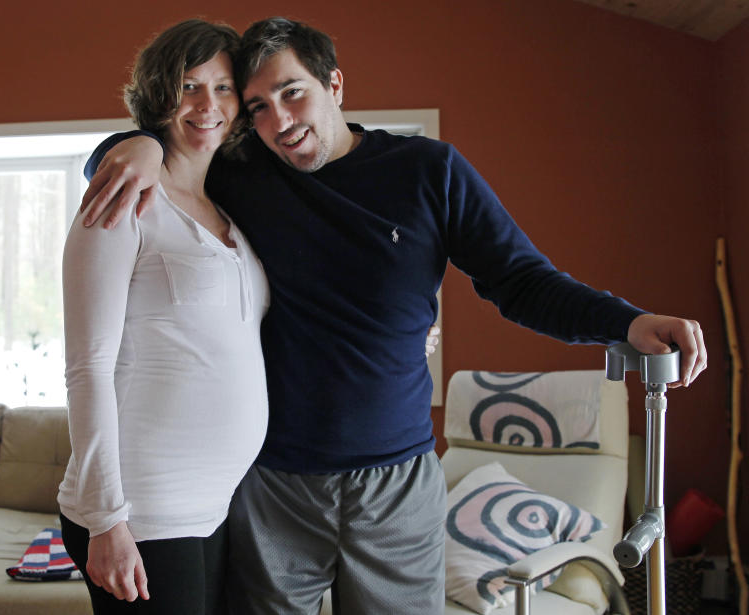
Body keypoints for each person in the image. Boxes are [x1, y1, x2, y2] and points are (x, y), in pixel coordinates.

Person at [78, 17, 708, 615]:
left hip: (397, 484)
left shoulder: (428, 171)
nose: (279, 121)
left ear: (335, 84)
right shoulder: (244, 176)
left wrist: (626, 323)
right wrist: (133, 144)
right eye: (259, 106)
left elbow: (520, 281)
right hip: (274, 485)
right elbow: (168, 155)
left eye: (291, 93)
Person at [57, 19, 270, 615]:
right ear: (159, 94)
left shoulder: (228, 206)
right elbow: (86, 368)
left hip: (217, 506)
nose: (208, 105)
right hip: (141, 511)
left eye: (224, 88)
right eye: (189, 86)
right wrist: (106, 520)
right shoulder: (123, 199)